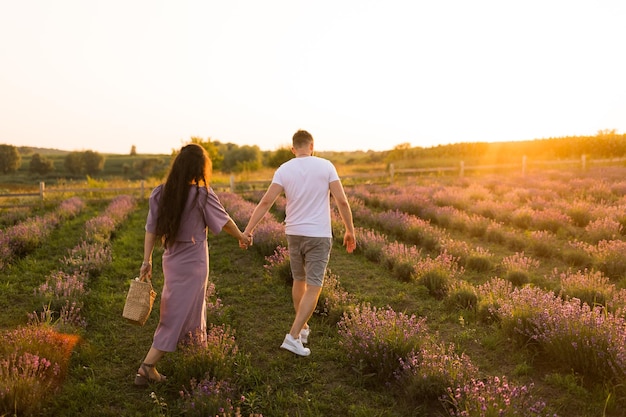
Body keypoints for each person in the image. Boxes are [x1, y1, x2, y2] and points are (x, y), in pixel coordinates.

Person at [134, 143, 250, 385]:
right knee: (178, 312)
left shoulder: (161, 193)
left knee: (187, 307)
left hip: (172, 259)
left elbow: (150, 229)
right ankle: (147, 366)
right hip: (195, 260)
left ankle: (198, 356)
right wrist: (241, 236)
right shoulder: (202, 194)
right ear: (199, 168)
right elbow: (225, 221)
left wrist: (147, 260)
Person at [243, 129, 356, 356]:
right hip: (318, 234)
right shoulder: (326, 166)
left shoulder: (284, 169)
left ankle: (303, 328)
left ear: (293, 149)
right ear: (312, 146)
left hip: (293, 232)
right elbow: (342, 201)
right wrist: (350, 230)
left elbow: (266, 201)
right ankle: (293, 336)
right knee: (314, 286)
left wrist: (247, 230)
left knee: (299, 280)